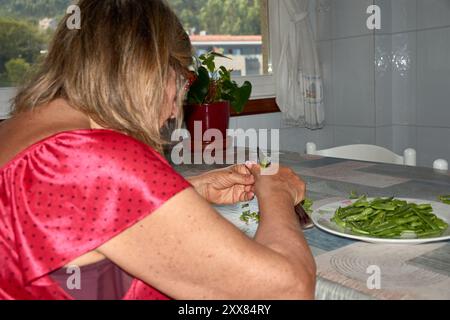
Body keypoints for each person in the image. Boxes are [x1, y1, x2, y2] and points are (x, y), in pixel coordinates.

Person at [0, 0, 316, 300]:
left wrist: (186, 192)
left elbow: (74, 212)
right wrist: (276, 192)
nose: (175, 108)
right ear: (152, 70)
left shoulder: (18, 130)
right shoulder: (94, 157)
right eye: (185, 80)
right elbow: (288, 289)